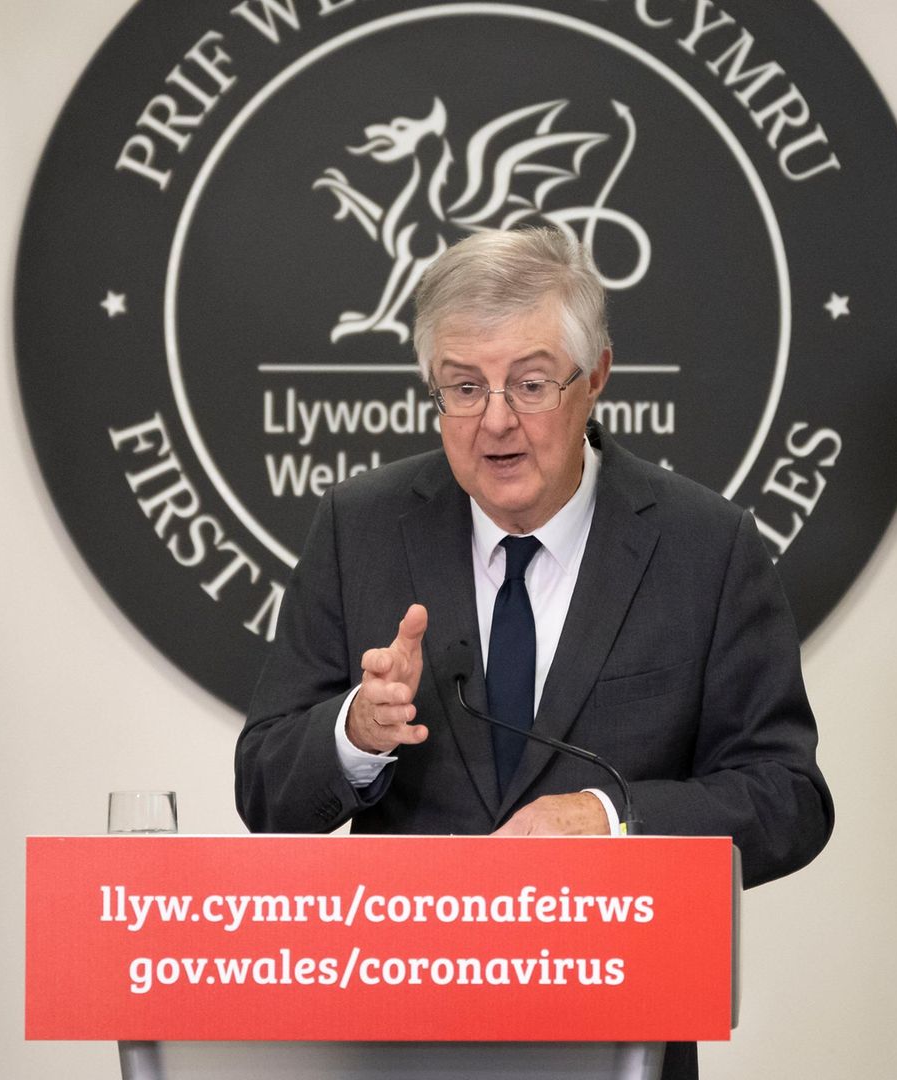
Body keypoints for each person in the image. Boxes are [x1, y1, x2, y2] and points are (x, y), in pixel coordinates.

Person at [235, 228, 832, 1077]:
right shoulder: (359, 528)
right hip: (396, 1040)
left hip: (620, 1034)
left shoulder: (708, 548)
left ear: (596, 380)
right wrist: (355, 734)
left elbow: (787, 798)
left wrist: (612, 821)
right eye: (464, 388)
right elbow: (263, 784)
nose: (497, 422)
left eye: (531, 383)